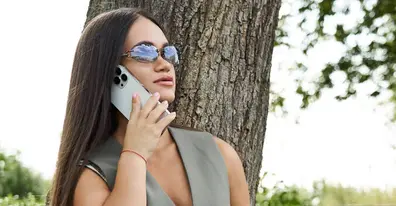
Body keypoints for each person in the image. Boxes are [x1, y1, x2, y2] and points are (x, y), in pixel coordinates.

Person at [47, 8, 250, 206]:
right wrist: (134, 154)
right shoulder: (91, 175)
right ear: (111, 72)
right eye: (145, 52)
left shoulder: (219, 153)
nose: (165, 64)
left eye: (167, 52)